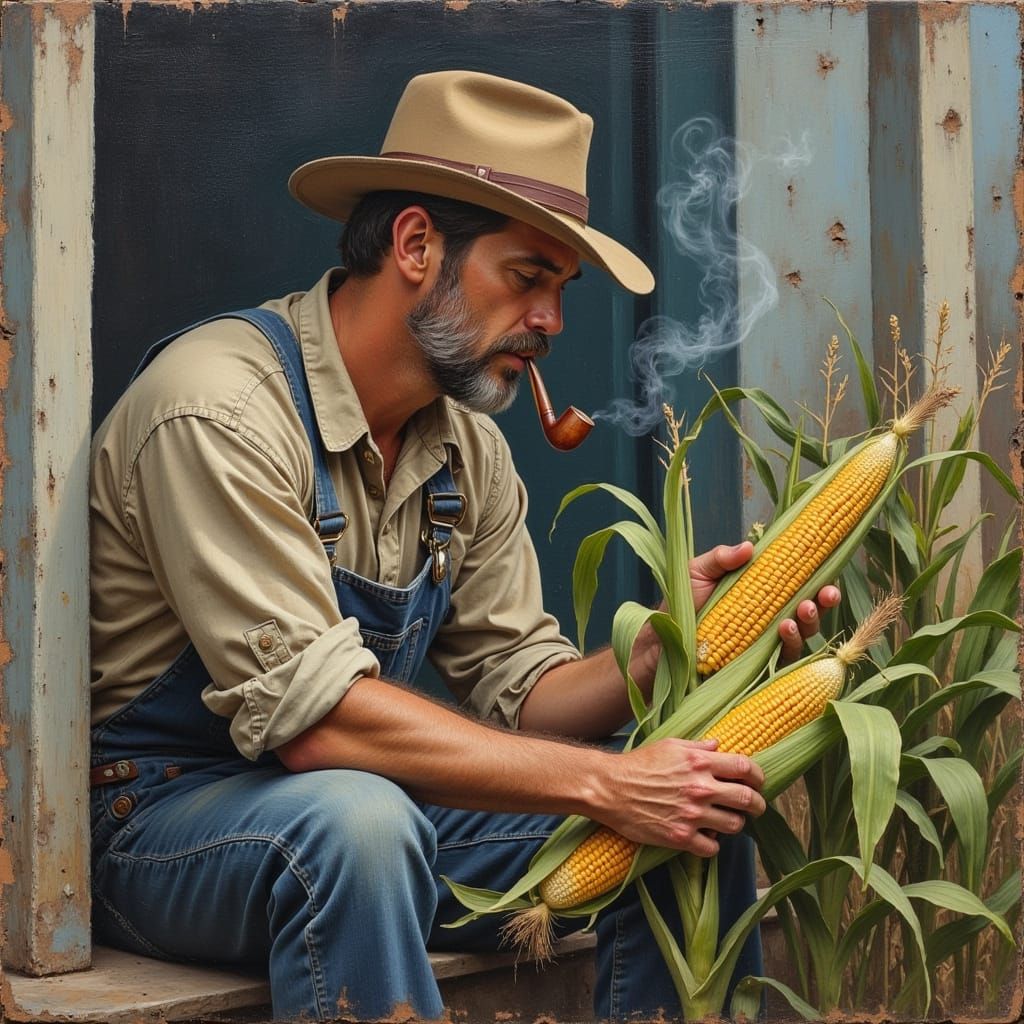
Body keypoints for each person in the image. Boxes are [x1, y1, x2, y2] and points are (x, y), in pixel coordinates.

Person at [89, 70, 839, 1022]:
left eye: (561, 289)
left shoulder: (465, 447)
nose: (553, 322)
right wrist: (611, 783)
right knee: (359, 826)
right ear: (415, 243)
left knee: (692, 809)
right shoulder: (218, 408)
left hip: (368, 801)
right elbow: (319, 724)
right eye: (527, 278)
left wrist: (662, 650)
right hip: (159, 823)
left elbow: (525, 695)